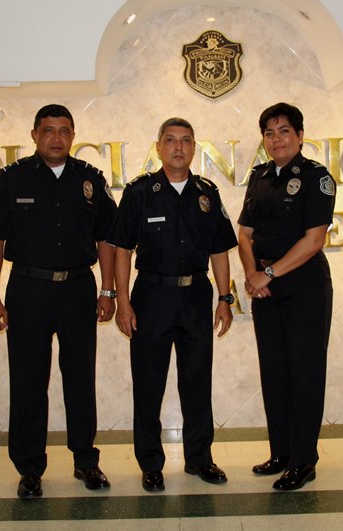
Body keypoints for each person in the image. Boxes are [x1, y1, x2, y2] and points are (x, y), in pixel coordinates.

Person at [0, 104, 117, 499]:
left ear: (73, 136)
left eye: (64, 130)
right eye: (48, 130)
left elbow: (107, 238)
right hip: (27, 290)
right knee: (28, 381)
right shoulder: (12, 178)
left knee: (80, 378)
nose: (56, 137)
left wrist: (108, 290)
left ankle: (86, 461)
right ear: (34, 135)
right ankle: (30, 469)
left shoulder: (90, 179)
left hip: (77, 289)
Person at [108, 117, 237, 492]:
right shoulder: (139, 192)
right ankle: (150, 463)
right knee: (148, 385)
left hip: (196, 296)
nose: (178, 147)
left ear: (194, 147)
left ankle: (200, 459)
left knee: (197, 382)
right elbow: (121, 251)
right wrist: (123, 302)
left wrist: (224, 298)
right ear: (159, 147)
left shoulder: (207, 193)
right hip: (151, 297)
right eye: (170, 140)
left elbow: (219, 250)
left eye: (185, 140)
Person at [238, 102, 336, 491]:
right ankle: (281, 453)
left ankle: (303, 461)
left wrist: (268, 273)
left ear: (300, 136)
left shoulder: (316, 177)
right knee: (274, 371)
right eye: (269, 133)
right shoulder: (260, 177)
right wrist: (253, 276)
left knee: (305, 373)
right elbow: (244, 234)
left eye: (284, 131)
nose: (276, 139)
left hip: (304, 284)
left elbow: (314, 240)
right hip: (265, 287)